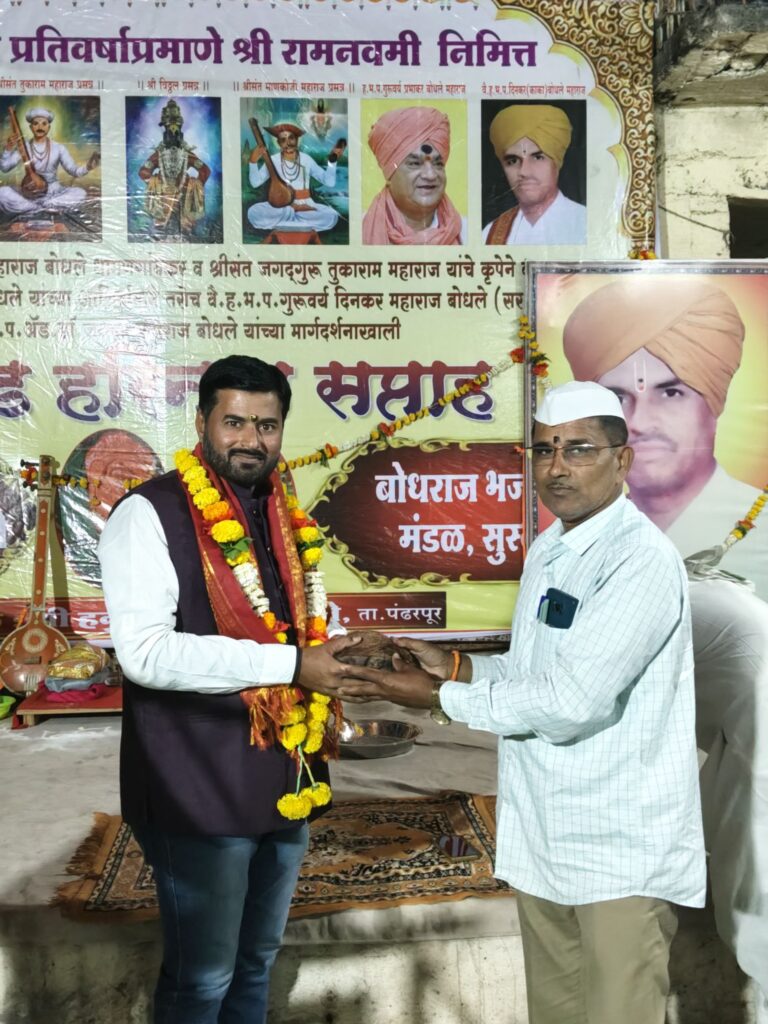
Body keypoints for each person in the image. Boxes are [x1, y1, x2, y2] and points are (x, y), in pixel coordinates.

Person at [339, 380, 706, 1024]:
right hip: (546, 834)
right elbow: (534, 672)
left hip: (617, 848)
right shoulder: (552, 546)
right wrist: (451, 666)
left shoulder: (638, 560)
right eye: (544, 450)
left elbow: (570, 702)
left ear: (622, 460)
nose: (557, 467)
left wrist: (439, 698)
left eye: (579, 449)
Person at [98, 355, 356, 1024]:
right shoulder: (148, 513)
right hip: (196, 780)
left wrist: (341, 648)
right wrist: (294, 666)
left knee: (258, 957)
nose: (251, 439)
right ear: (202, 423)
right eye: (234, 422)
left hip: (286, 771)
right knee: (203, 976)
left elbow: (293, 619)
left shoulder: (280, 508)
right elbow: (146, 654)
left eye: (266, 425)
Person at [562, 274, 767, 599]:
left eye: (670, 393)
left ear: (715, 401)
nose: (639, 422)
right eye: (617, 397)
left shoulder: (761, 531)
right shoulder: (583, 536)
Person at [483, 103, 585, 245]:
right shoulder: (489, 233)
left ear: (556, 162)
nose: (524, 171)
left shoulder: (587, 225)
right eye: (513, 161)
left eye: (537, 157)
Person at [362, 106, 465, 245]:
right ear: (389, 172)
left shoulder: (467, 232)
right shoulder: (360, 230)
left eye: (438, 164)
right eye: (415, 164)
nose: (430, 175)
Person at [246, 120, 346, 235]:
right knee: (253, 212)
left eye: (291, 138)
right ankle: (298, 224)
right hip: (280, 208)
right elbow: (255, 183)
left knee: (330, 215)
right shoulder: (273, 160)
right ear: (278, 143)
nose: (288, 143)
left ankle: (286, 225)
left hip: (306, 206)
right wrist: (253, 161)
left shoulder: (306, 159)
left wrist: (332, 161)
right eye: (283, 140)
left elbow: (329, 182)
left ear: (297, 140)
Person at [0, 106, 99, 219]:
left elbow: (74, 171)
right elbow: (4, 168)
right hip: (29, 194)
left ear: (49, 127)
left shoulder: (58, 148)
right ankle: (41, 208)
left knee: (80, 193)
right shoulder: (24, 146)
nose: (40, 127)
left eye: (44, 124)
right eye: (36, 123)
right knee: (2, 192)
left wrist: (88, 167)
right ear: (31, 127)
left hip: (53, 193)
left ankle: (35, 208)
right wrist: (8, 149)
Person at [138, 98, 211, 239]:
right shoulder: (158, 155)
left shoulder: (187, 155)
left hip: (183, 197)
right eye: (169, 128)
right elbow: (143, 172)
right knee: (162, 233)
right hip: (163, 198)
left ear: (180, 130)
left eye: (176, 129)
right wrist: (157, 183)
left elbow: (205, 171)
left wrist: (192, 186)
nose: (173, 132)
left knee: (184, 233)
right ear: (164, 130)